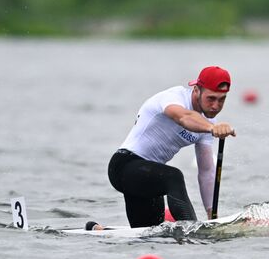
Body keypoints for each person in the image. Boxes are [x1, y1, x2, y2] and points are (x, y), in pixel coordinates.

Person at [88, 66, 235, 230]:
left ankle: (97, 230)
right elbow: (183, 117)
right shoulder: (174, 98)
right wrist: (211, 128)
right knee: (174, 177)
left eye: (222, 100)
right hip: (124, 167)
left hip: (149, 177)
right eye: (211, 98)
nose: (216, 105)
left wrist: (212, 217)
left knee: (150, 233)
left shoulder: (208, 125)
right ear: (196, 90)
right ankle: (192, 229)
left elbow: (207, 172)